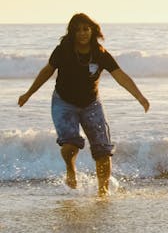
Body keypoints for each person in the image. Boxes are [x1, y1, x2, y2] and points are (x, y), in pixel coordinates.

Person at [18, 13, 150, 196]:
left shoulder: (100, 53)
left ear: (92, 30)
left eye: (86, 29)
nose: (82, 33)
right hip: (64, 103)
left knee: (103, 150)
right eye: (78, 29)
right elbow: (47, 71)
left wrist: (140, 97)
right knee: (71, 144)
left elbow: (120, 75)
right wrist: (29, 93)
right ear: (72, 32)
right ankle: (71, 170)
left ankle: (102, 193)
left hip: (91, 104)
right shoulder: (63, 51)